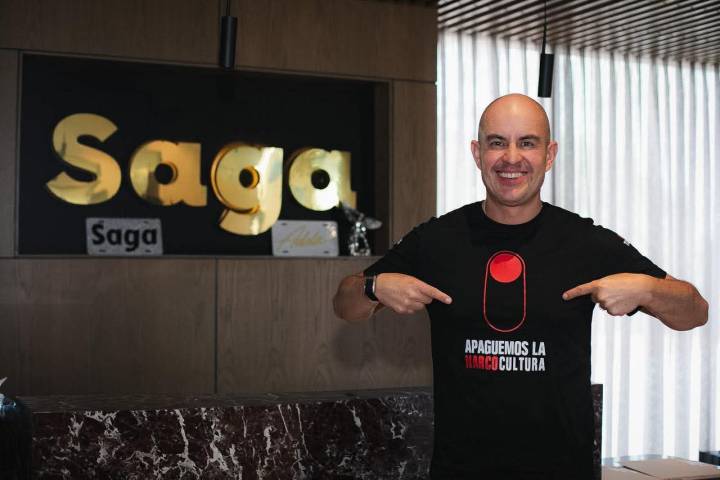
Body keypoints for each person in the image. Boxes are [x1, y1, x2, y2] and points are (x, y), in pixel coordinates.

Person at [332, 93, 709, 479]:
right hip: (461, 470)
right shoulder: (438, 240)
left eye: (527, 142)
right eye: (497, 142)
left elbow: (695, 311)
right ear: (477, 153)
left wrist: (647, 289)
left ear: (549, 154)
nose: (511, 158)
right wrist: (374, 287)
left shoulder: (585, 242)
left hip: (562, 471)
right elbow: (345, 304)